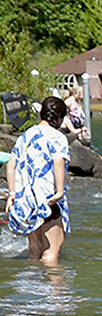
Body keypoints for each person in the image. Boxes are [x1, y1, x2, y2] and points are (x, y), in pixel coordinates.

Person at [5, 97, 71, 267]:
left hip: (26, 200)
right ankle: (55, 293)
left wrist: (12, 194)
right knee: (51, 253)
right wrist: (60, 191)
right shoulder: (57, 137)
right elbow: (58, 161)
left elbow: (11, 164)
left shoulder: (25, 136)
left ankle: (32, 291)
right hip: (48, 199)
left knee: (34, 252)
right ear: (58, 117)